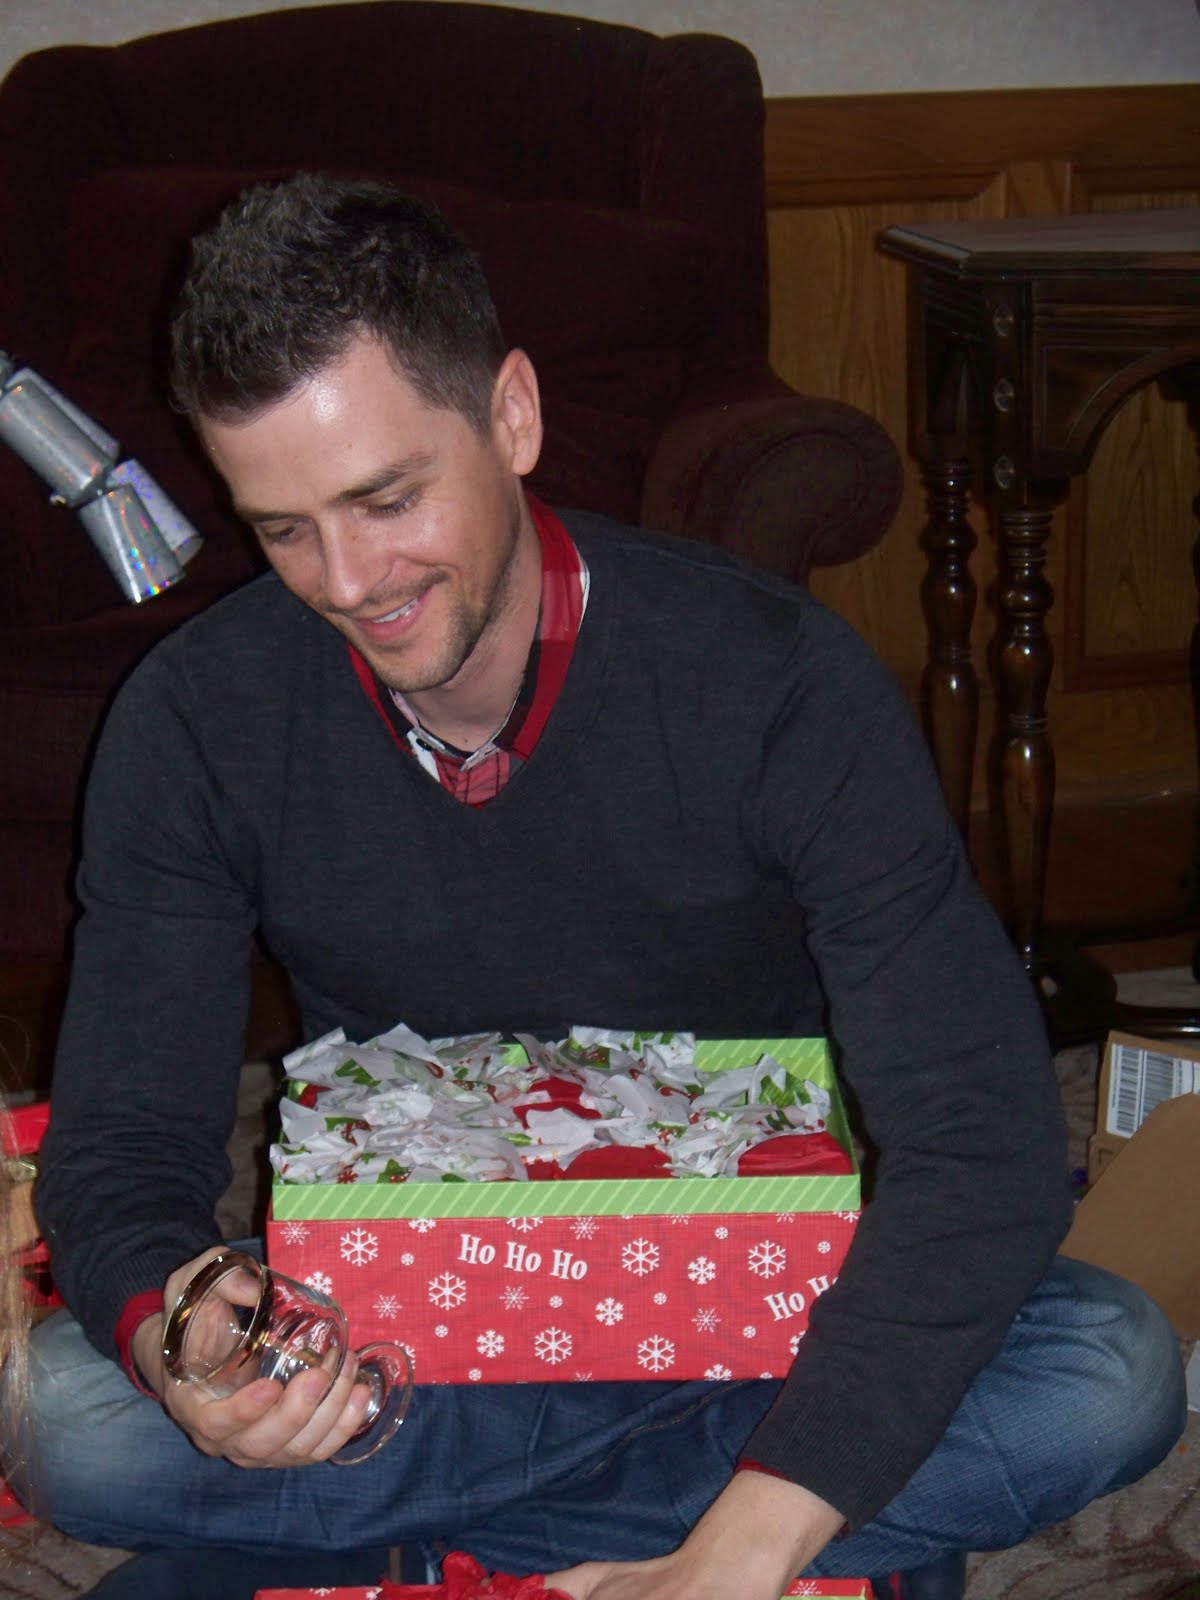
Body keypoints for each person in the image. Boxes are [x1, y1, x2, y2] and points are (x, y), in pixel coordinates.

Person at [14, 174, 1185, 1600]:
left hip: (761, 1311)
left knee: (1110, 1369)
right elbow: (124, 1139)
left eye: (388, 499)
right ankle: (724, 1513)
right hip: (420, 1327)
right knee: (72, 1417)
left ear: (512, 415)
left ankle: (507, 1539)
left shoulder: (778, 683)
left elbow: (982, 1139)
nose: (350, 581)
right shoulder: (198, 717)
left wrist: (744, 1549)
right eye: (284, 528)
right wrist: (183, 1330)